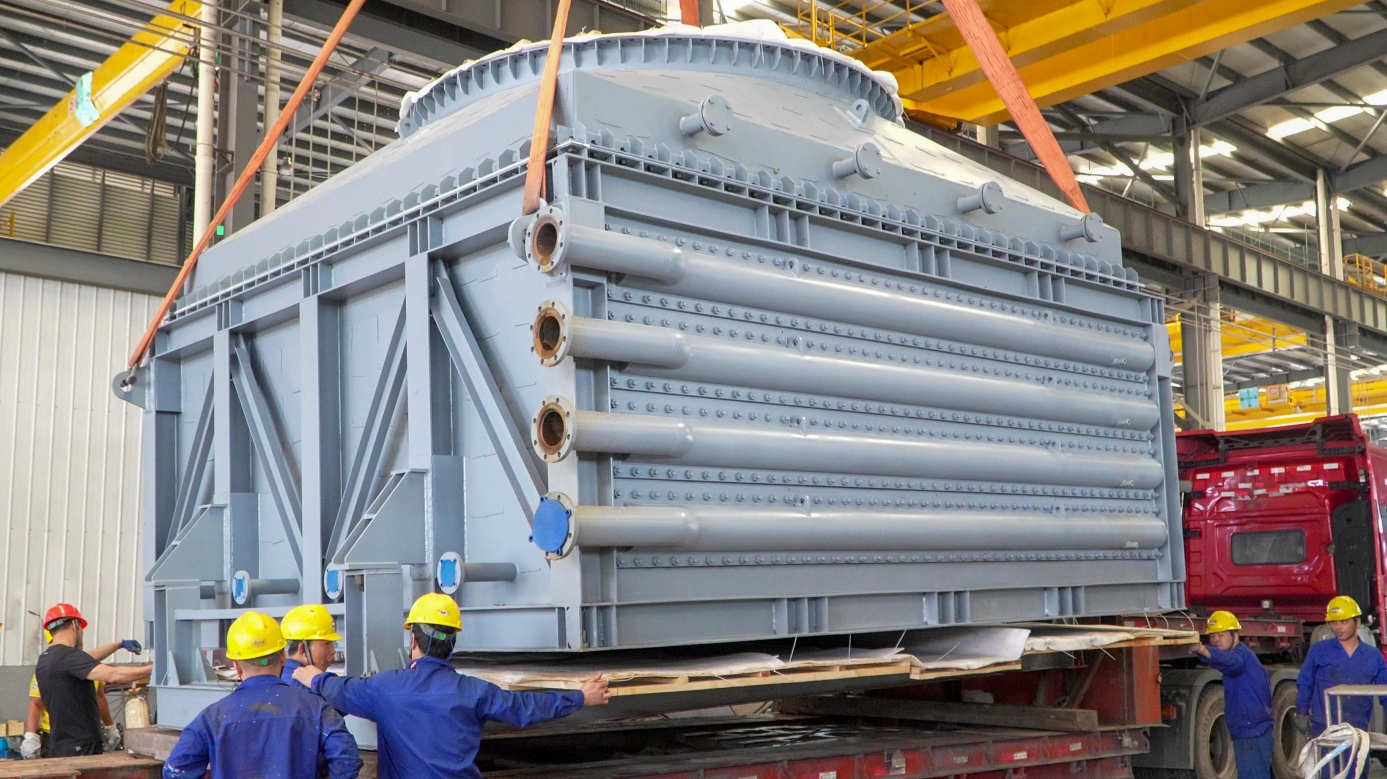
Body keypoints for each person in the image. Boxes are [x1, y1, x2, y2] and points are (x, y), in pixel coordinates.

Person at [293, 593, 612, 779]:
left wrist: (313, 677)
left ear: (412, 640)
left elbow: (340, 690)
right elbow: (526, 708)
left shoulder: (384, 688)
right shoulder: (475, 692)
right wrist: (580, 696)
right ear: (452, 643)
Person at [162, 611, 361, 779]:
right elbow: (347, 758)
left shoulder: (212, 718)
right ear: (282, 657)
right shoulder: (315, 708)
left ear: (236, 666)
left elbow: (175, 771)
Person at [32, 603, 150, 757]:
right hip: (81, 747)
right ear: (74, 625)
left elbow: (86, 658)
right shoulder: (68, 657)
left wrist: (118, 644)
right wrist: (155, 669)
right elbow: (113, 675)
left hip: (60, 745)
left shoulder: (47, 658)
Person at [1193, 611, 1273, 779]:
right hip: (1252, 731)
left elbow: (1231, 661)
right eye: (1213, 636)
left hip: (1251, 733)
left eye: (1221, 635)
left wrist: (1203, 650)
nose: (1216, 640)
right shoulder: (1242, 656)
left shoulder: (1241, 656)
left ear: (1235, 636)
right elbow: (1224, 661)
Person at [1296, 595, 1387, 740]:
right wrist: (1302, 712)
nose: (1338, 627)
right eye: (1334, 622)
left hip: (1357, 733)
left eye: (1344, 622)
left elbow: (1385, 692)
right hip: (1324, 731)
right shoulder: (1319, 651)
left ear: (1357, 622)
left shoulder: (1373, 656)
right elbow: (1305, 684)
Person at [25, 673, 118, 758]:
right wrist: (31, 736)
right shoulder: (47, 670)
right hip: (56, 737)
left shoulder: (93, 669)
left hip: (88, 736)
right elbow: (36, 704)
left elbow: (99, 697)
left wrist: (110, 726)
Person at [280, 604, 341, 690]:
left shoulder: (279, 675)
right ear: (302, 649)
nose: (333, 651)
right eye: (326, 644)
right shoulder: (308, 688)